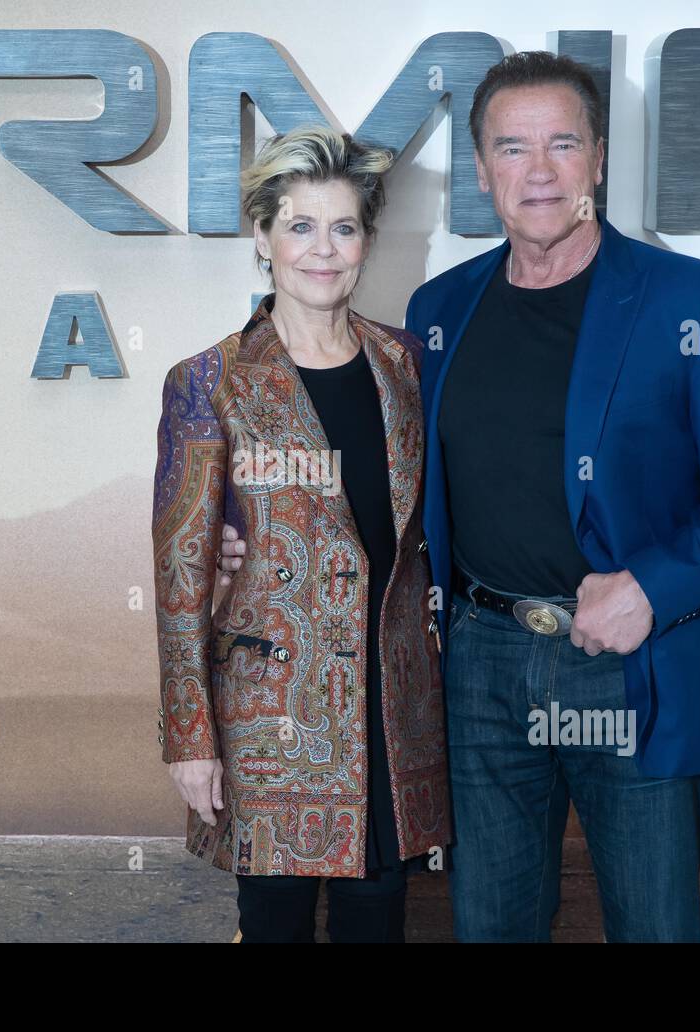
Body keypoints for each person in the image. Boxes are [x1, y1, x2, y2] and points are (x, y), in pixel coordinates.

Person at [221, 53, 700, 942]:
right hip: (481, 669)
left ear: (598, 159)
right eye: (512, 148)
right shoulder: (441, 310)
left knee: (655, 925)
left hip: (633, 667)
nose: (539, 171)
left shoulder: (694, 299)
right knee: (491, 926)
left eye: (563, 144)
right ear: (483, 169)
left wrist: (649, 585)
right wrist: (253, 532)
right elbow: (392, 481)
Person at [152, 125, 451, 943]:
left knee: (377, 923)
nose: (324, 250)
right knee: (274, 927)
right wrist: (190, 736)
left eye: (344, 227)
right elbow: (180, 576)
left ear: (366, 242)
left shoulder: (408, 365)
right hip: (269, 718)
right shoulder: (208, 382)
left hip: (393, 715)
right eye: (300, 226)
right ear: (262, 237)